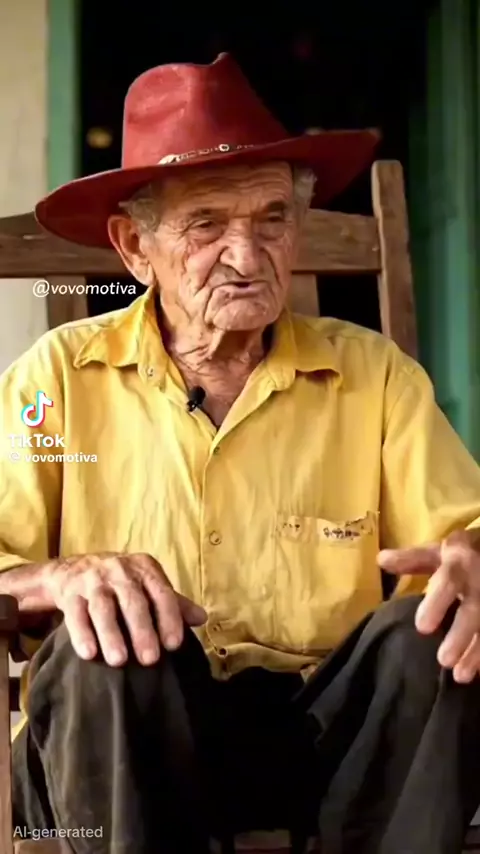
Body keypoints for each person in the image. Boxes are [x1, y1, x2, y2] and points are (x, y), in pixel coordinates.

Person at [2, 52, 480, 854]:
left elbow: (460, 542)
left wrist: (475, 562)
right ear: (133, 247)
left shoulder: (374, 377)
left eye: (271, 219)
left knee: (439, 636)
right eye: (206, 226)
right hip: (124, 751)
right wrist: (57, 579)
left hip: (332, 749)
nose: (248, 255)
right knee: (101, 647)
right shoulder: (54, 379)